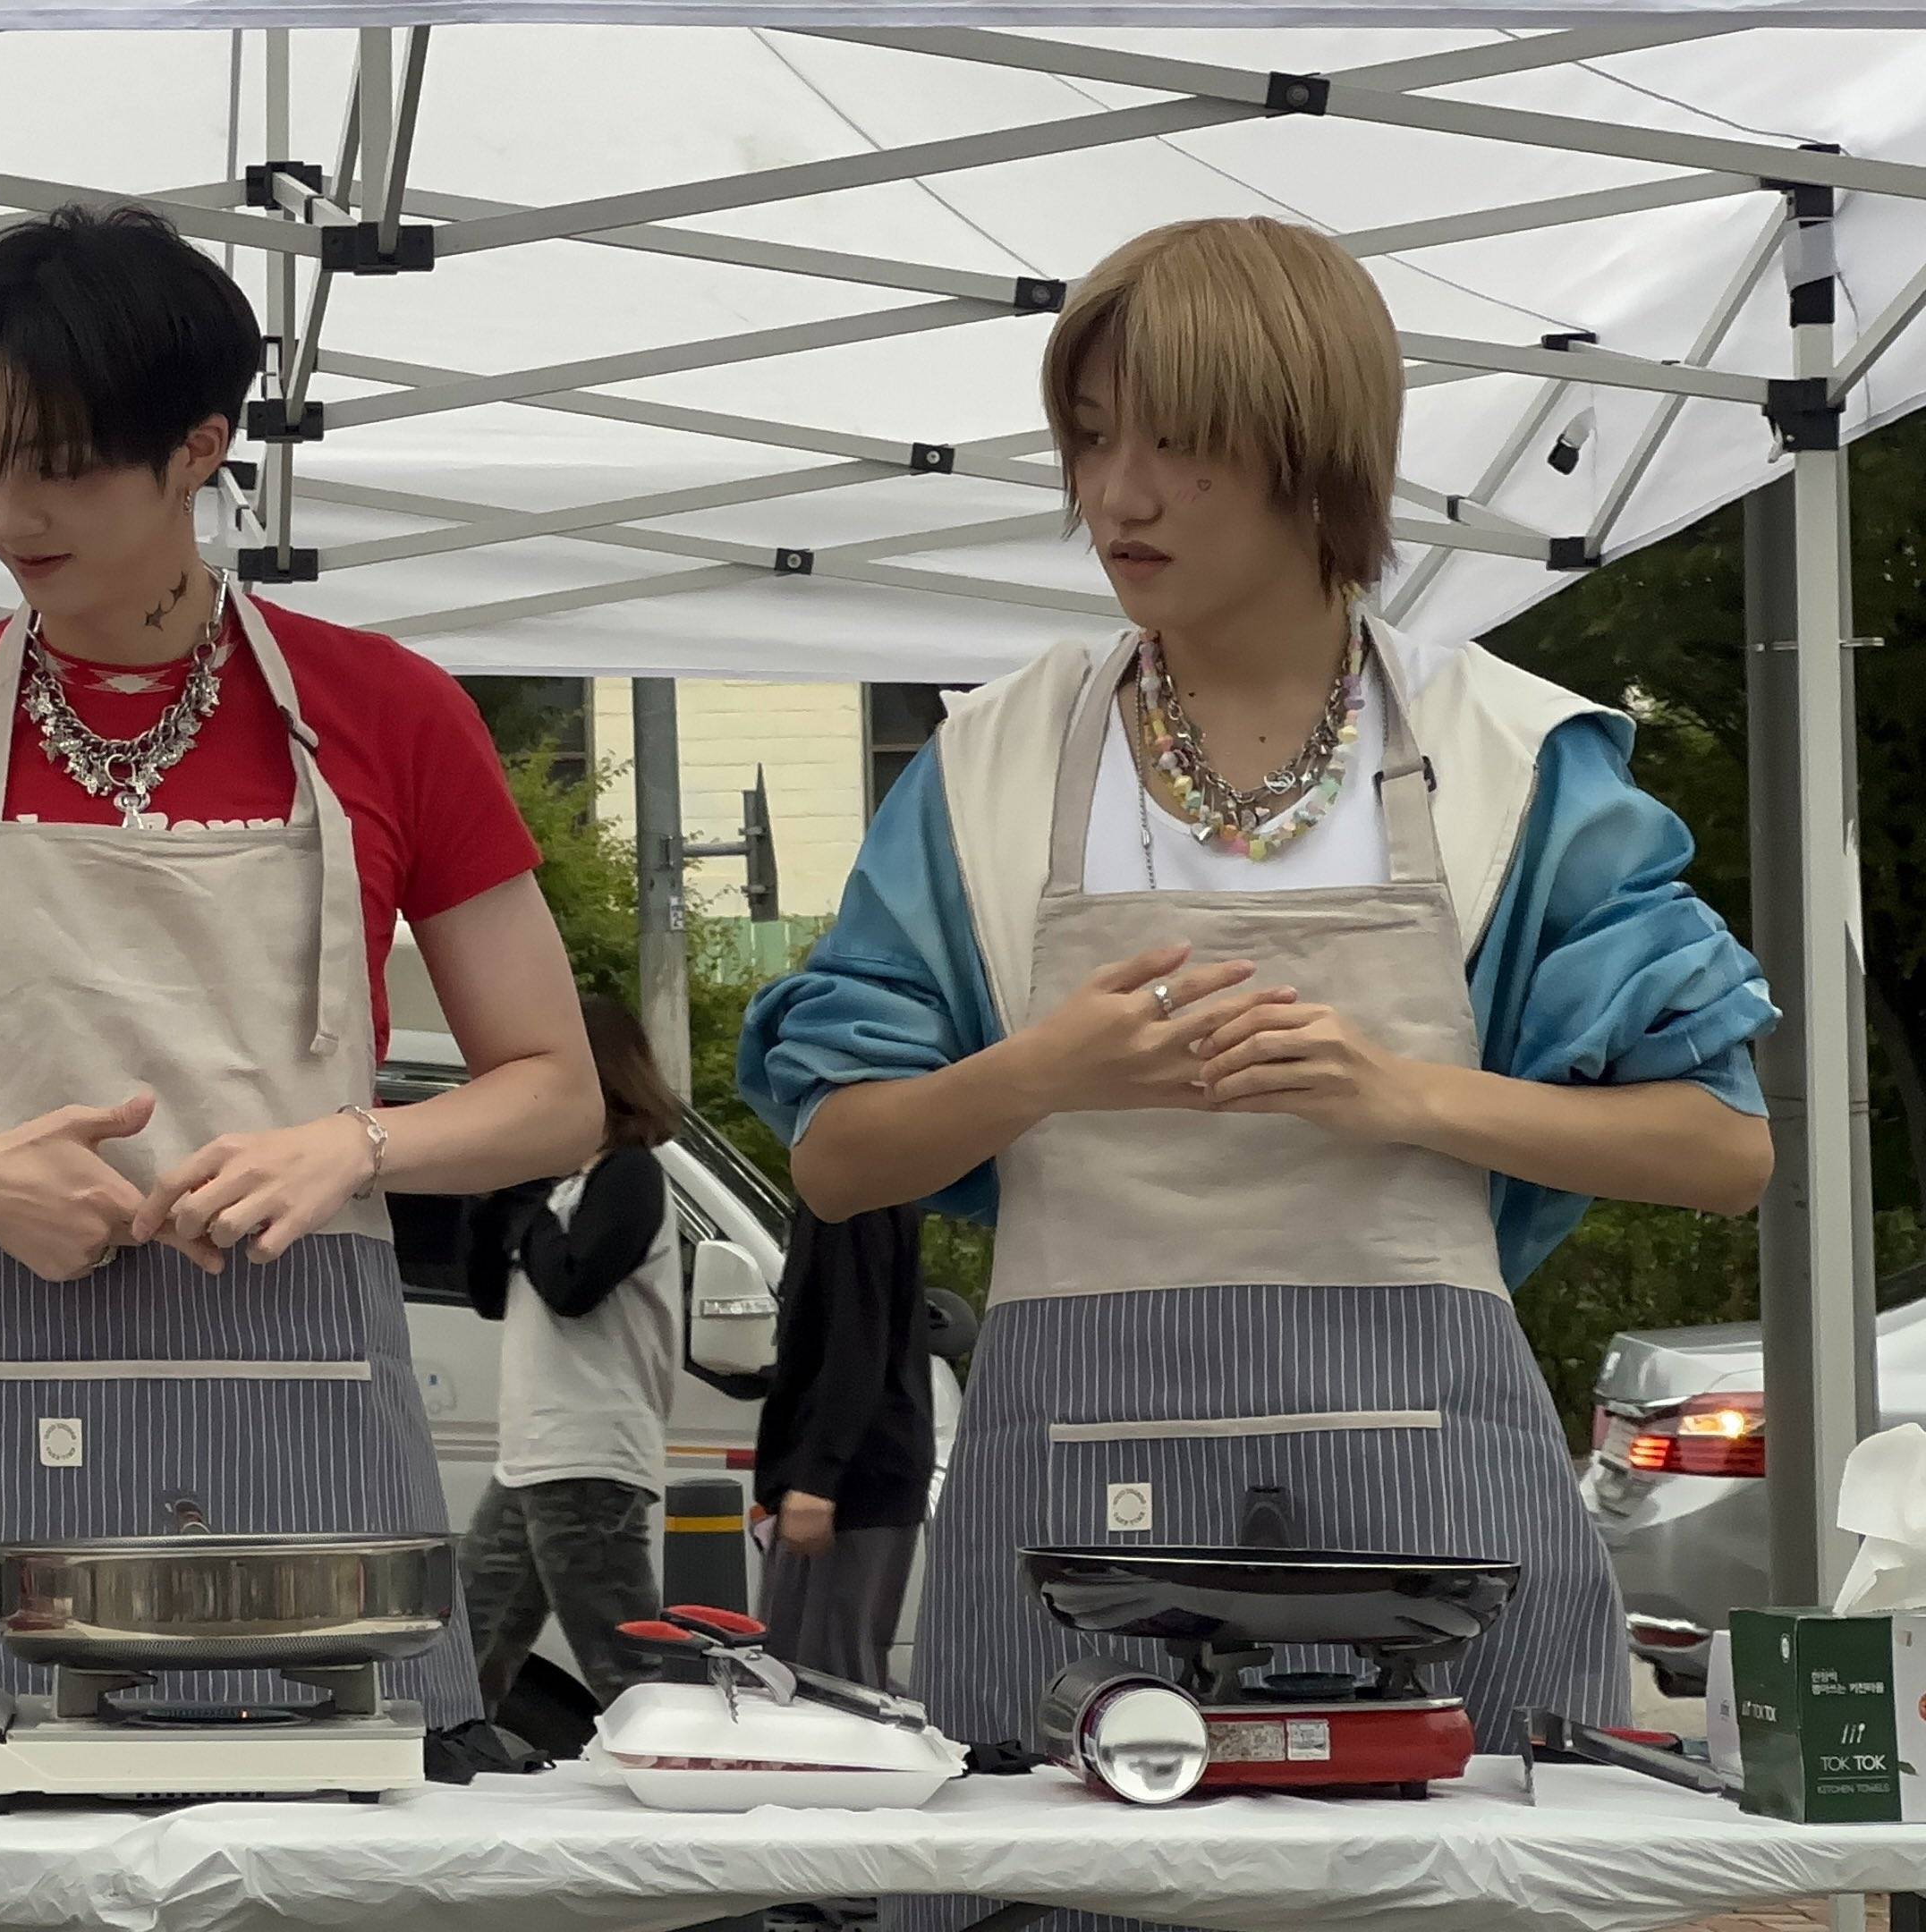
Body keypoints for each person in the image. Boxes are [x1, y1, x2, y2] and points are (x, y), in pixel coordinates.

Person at [743, 216, 1773, 1928]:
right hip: (1070, 1518)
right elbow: (840, 1159)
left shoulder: (1510, 756)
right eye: (1088, 439)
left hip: (1441, 1516)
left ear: (1312, 452)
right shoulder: (993, 764)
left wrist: (1401, 1093)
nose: (1116, 494)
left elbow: (1719, 1144)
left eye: (1174, 442)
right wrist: (1043, 1070)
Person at [0, 204, 603, 1732]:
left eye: (57, 466)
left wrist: (354, 1145)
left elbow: (560, 1097)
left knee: (326, 1855)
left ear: (199, 446)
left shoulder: (390, 712)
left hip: (306, 1389)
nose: (8, 515)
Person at [458, 991, 684, 1716]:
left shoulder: (630, 1173)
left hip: (591, 1447)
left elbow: (572, 1285)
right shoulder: (559, 1182)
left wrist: (523, 1199)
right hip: (531, 1450)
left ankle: (669, 1763)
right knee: (469, 1640)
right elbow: (491, 1295)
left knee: (620, 1654)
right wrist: (488, 1195)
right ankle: (450, 1747)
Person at [749, 1196, 929, 1693]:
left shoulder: (851, 1197)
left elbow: (854, 1340)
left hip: (850, 1478)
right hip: (858, 1468)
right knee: (818, 1679)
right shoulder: (868, 1187)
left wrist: (817, 1478)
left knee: (822, 1691)